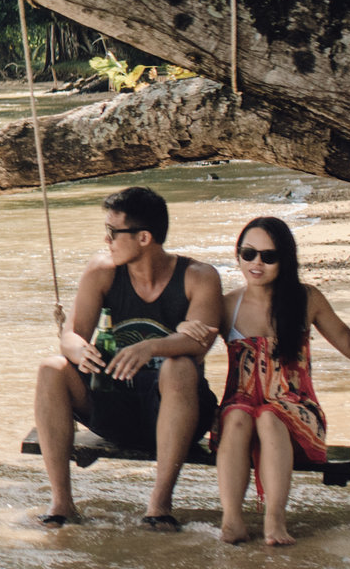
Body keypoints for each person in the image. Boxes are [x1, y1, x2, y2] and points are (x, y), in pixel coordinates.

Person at [32, 185, 224, 531]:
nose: (106, 240)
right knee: (52, 368)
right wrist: (81, 350)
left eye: (112, 232)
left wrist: (150, 347)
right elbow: (70, 336)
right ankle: (62, 504)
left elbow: (199, 344)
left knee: (179, 366)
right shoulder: (102, 271)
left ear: (144, 237)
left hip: (176, 411)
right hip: (115, 407)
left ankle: (159, 506)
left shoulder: (198, 277)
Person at [214, 214, 350, 545]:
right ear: (239, 255)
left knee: (269, 416)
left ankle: (275, 520)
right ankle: (232, 519)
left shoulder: (306, 299)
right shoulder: (226, 305)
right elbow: (194, 346)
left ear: (284, 260)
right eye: (248, 254)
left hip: (296, 410)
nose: (256, 263)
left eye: (269, 256)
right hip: (241, 408)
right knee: (236, 417)